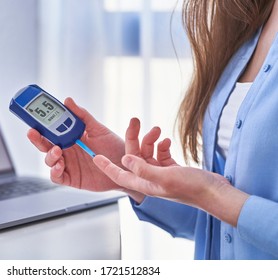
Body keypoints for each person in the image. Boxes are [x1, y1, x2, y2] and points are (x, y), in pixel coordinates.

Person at [28, 0, 278, 259]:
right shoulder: (249, 22)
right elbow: (227, 231)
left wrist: (212, 193)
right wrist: (130, 175)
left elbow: (225, 202)